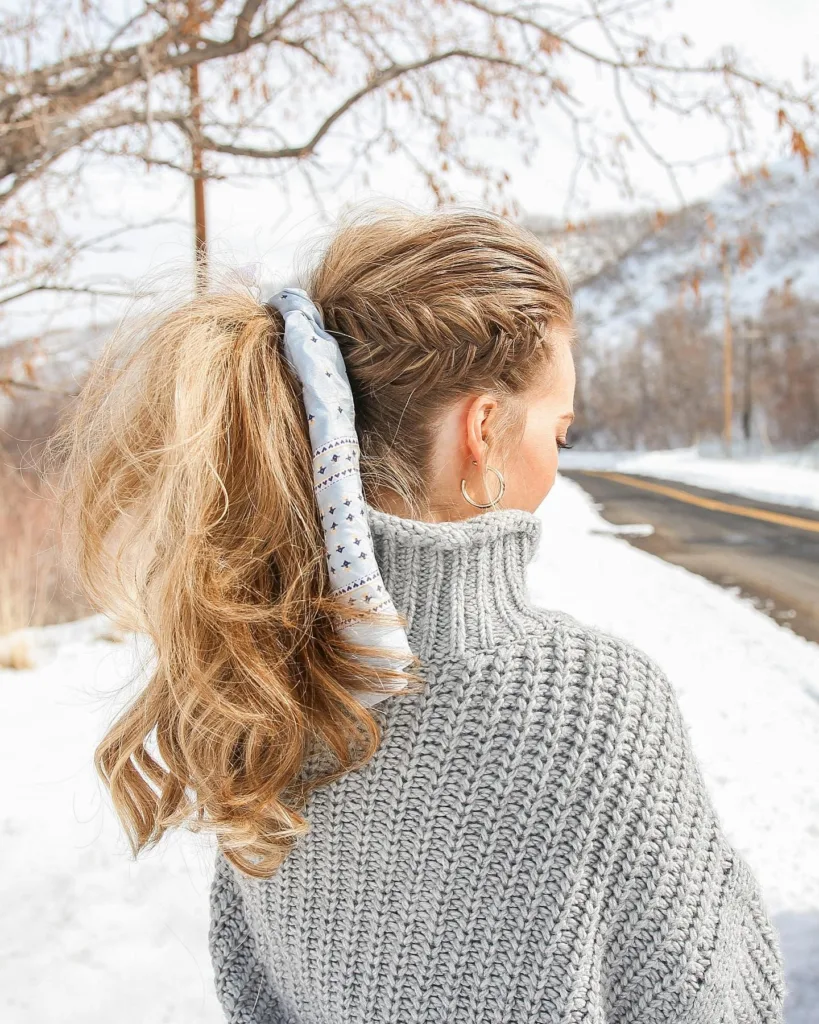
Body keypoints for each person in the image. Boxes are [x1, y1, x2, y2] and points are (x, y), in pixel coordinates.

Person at [53, 203, 785, 1023]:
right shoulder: (596, 706)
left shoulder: (263, 684)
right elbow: (718, 1003)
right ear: (482, 431)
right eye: (561, 433)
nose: (557, 459)